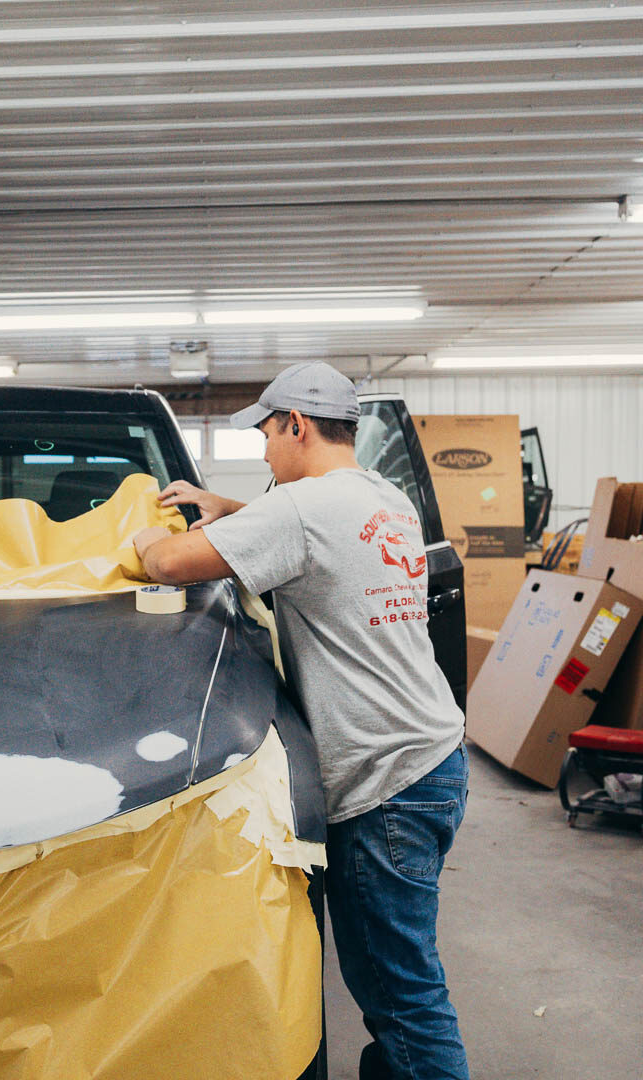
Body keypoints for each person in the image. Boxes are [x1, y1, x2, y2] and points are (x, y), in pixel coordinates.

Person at [131, 362, 469, 1080]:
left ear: (297, 425)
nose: (261, 452)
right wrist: (229, 506)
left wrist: (131, 531)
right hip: (432, 757)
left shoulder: (302, 512)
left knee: (400, 992)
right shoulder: (381, 496)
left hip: (385, 784)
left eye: (264, 433)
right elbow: (304, 526)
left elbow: (165, 563)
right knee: (392, 977)